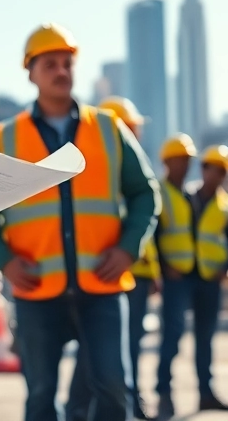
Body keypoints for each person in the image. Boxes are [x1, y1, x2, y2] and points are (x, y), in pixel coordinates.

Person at [0, 23, 159, 421]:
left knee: (113, 386)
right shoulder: (6, 136)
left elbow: (146, 193)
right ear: (31, 73)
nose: (61, 71)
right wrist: (4, 261)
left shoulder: (109, 129)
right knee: (41, 395)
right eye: (50, 64)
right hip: (37, 287)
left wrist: (129, 248)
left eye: (67, 63)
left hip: (102, 285)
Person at [66, 95, 157, 421]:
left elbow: (144, 217)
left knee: (112, 358)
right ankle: (79, 411)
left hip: (129, 273)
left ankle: (105, 409)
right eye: (131, 129)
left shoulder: (123, 167)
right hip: (107, 274)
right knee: (102, 358)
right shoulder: (105, 165)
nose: (136, 136)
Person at [155, 143, 228, 417]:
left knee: (205, 338)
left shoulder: (227, 206)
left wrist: (227, 267)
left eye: (219, 171)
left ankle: (206, 393)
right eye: (208, 168)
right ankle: (164, 394)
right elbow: (155, 235)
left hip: (208, 279)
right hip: (177, 278)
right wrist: (163, 267)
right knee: (172, 336)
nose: (212, 174)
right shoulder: (177, 196)